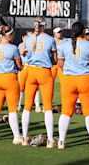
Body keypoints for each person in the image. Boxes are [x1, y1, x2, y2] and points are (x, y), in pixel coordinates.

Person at [57, 22, 89, 149]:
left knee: (66, 112)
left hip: (69, 80)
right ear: (82, 32)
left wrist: (69, 71)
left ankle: (61, 141)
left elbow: (60, 64)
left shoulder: (64, 45)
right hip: (85, 79)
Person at [22, 16, 57, 148]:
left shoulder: (29, 38)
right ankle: (50, 140)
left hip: (31, 71)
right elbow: (54, 60)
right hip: (44, 72)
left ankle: (25, 138)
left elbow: (26, 56)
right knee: (47, 106)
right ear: (44, 25)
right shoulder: (49, 39)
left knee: (27, 106)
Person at [0, 25, 23, 144]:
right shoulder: (13, 48)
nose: (13, 37)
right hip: (10, 78)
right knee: (12, 109)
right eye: (12, 35)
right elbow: (19, 66)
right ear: (9, 35)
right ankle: (17, 136)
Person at [18, 30, 32, 111]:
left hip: (32, 66)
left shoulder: (33, 44)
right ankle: (19, 104)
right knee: (21, 87)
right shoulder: (21, 44)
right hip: (24, 66)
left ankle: (36, 105)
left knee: (34, 86)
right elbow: (21, 51)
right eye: (28, 36)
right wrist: (25, 42)